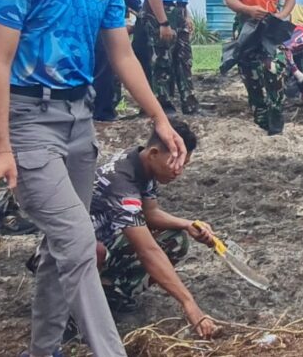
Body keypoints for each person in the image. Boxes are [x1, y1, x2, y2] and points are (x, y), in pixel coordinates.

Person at [0, 0, 187, 357]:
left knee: (58, 251)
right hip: (29, 121)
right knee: (76, 242)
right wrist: (2, 147)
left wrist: (160, 119)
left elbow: (122, 55)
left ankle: (42, 349)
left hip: (79, 120)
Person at [89, 122, 217, 339]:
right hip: (71, 255)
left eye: (184, 165)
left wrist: (187, 224)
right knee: (95, 250)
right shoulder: (121, 182)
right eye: (175, 163)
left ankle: (112, 294)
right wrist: (189, 304)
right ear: (155, 153)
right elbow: (147, 250)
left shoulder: (141, 165)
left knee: (175, 239)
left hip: (107, 239)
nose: (179, 171)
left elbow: (150, 213)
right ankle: (75, 314)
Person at [223, 0, 296, 134]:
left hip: (270, 26)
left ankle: (276, 115)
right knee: (248, 72)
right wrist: (248, 9)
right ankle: (260, 117)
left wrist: (282, 16)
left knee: (274, 69)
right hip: (245, 24)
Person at [94, 0, 145, 122]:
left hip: (91, 29)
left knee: (97, 69)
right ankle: (104, 111)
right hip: (108, 30)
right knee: (107, 69)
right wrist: (144, 14)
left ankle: (98, 109)